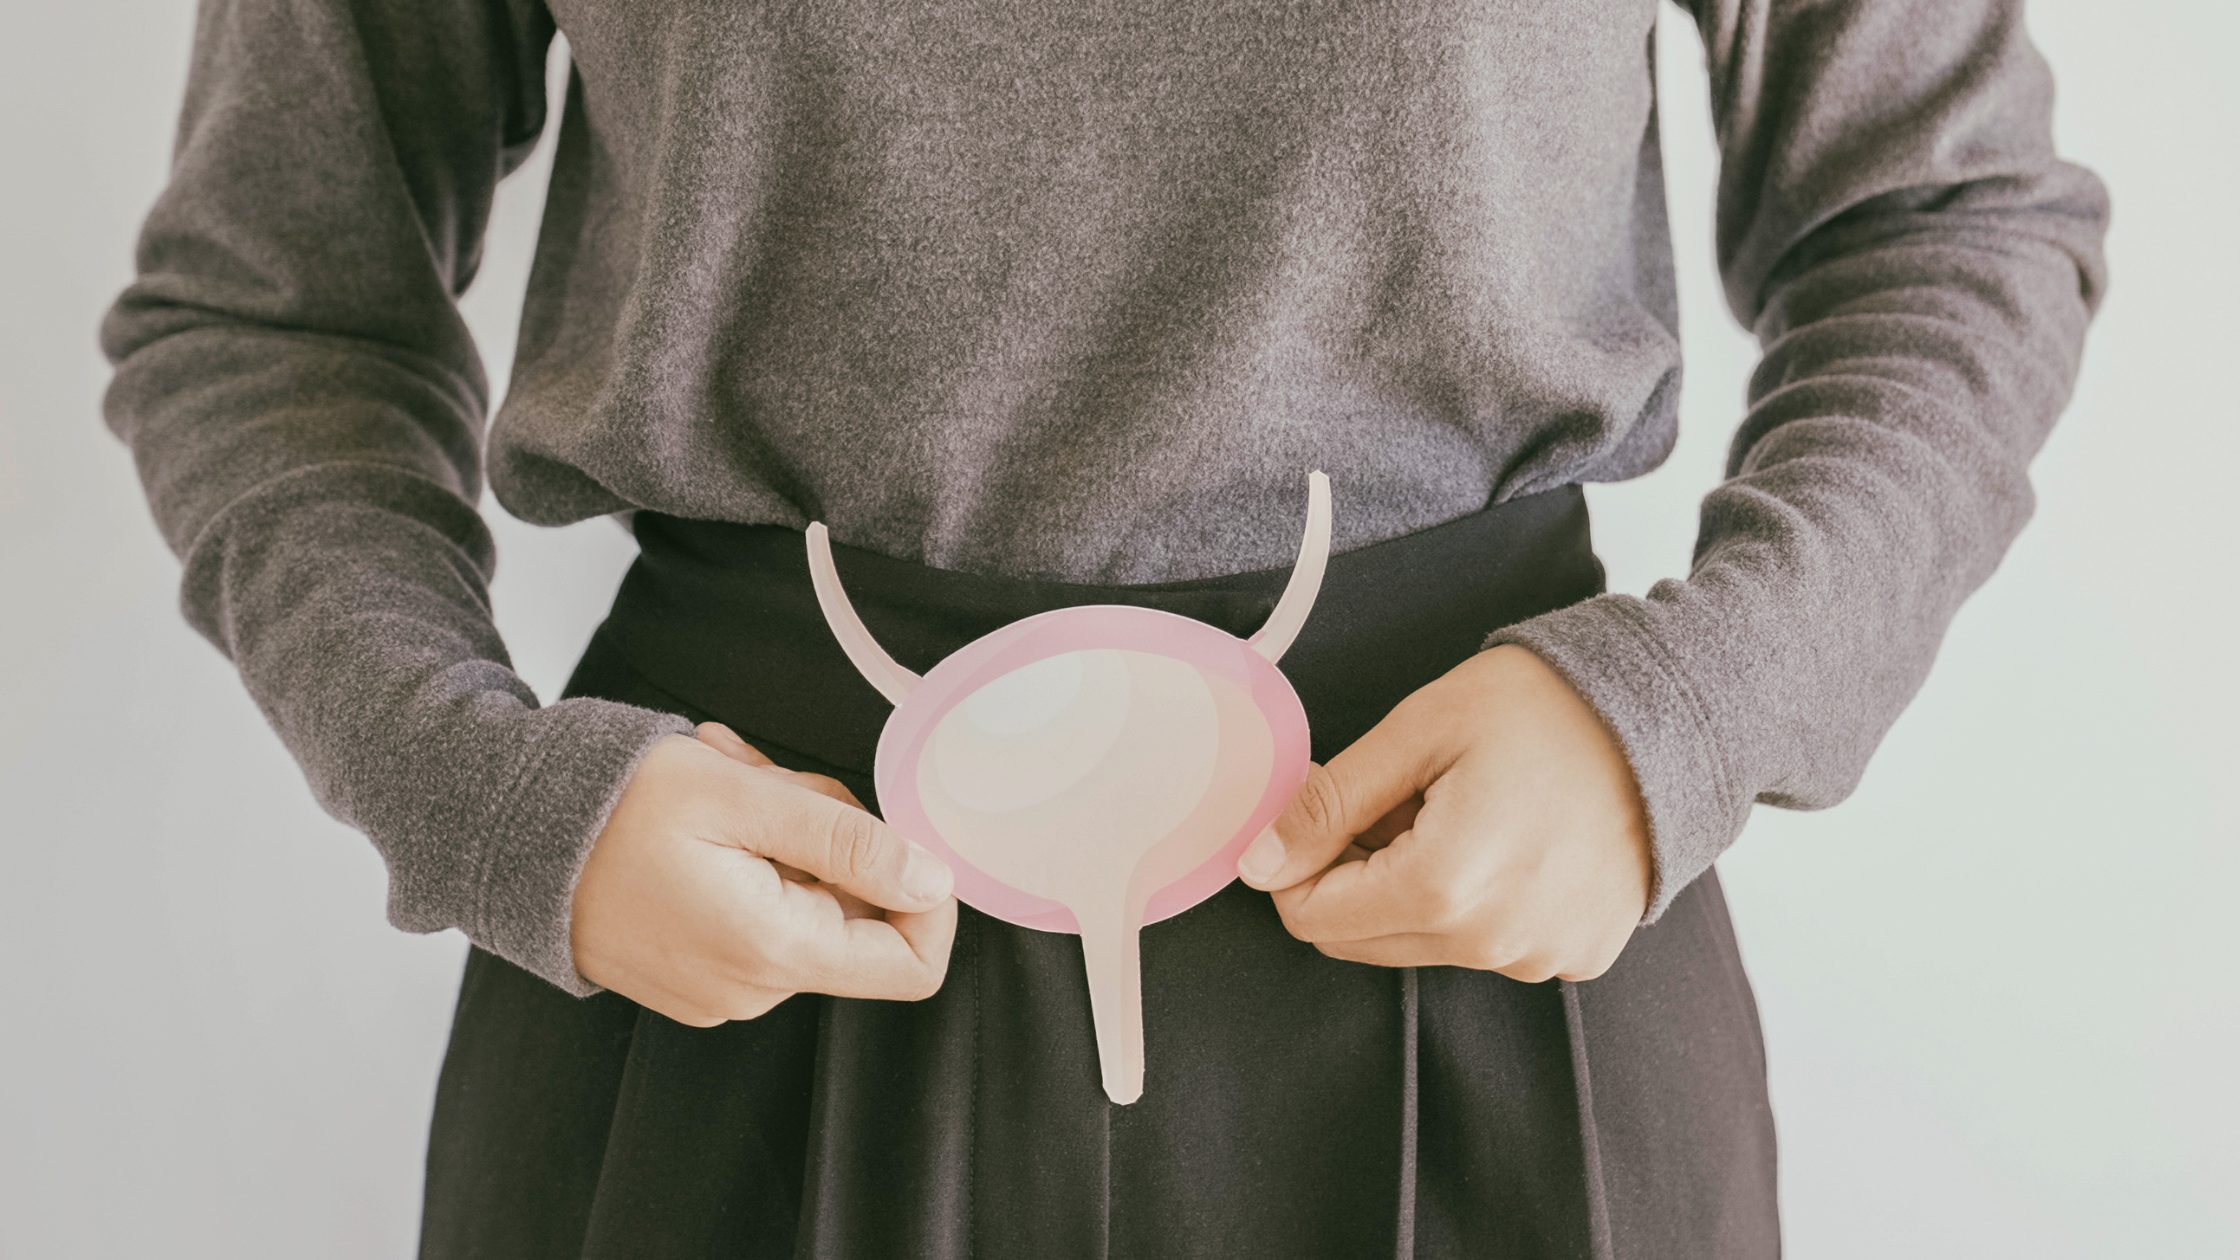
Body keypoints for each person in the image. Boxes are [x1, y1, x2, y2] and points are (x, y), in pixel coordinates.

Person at [103, 0, 2106, 1255]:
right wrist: (471, 784)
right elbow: (271, 316)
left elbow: (1947, 218)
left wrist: (1683, 709)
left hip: (1487, 926)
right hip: (739, 933)